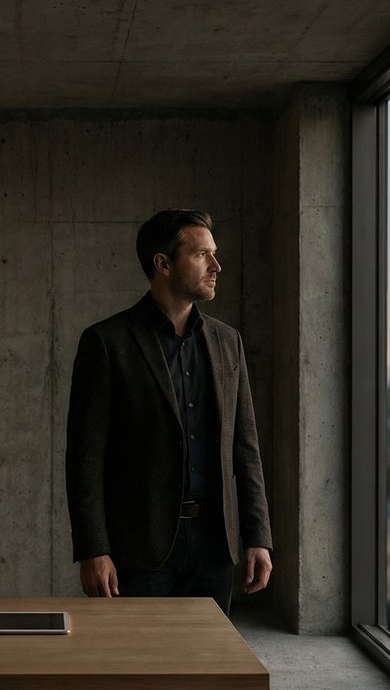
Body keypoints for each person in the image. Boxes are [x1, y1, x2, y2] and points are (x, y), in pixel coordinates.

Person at [65, 209, 273, 615]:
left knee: (209, 670)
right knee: (140, 671)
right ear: (163, 263)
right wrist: (93, 550)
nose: (217, 265)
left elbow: (244, 448)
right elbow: (85, 458)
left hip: (216, 542)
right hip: (138, 546)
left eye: (214, 254)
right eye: (201, 255)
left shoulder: (228, 342)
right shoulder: (107, 343)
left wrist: (257, 535)